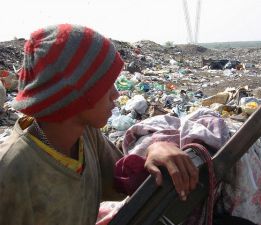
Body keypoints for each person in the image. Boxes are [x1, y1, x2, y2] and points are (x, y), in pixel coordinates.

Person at [0, 24, 199, 225]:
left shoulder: (85, 135)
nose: (116, 94)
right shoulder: (11, 171)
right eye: (105, 84)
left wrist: (154, 150)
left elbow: (121, 180)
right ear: (75, 92)